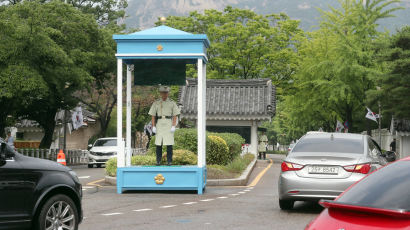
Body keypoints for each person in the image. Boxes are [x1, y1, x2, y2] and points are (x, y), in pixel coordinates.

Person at [148, 86, 180, 166]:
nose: (164, 94)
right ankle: (158, 161)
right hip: (159, 123)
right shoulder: (156, 102)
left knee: (169, 143)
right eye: (163, 93)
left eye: (166, 93)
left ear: (168, 93)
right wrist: (153, 126)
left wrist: (173, 126)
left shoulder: (172, 103)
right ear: (160, 93)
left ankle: (169, 161)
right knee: (159, 143)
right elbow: (153, 115)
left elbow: (175, 115)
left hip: (168, 123)